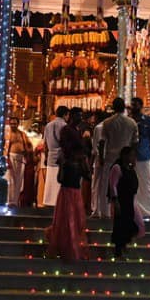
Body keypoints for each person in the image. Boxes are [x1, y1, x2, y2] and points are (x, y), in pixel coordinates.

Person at [45, 107, 89, 262]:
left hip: (75, 171)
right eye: (78, 115)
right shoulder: (67, 130)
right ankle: (68, 244)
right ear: (70, 116)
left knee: (75, 215)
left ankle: (72, 241)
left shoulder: (75, 130)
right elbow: (67, 148)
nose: (80, 118)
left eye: (81, 116)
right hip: (70, 169)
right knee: (68, 214)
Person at [100, 99, 137, 219]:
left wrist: (101, 157)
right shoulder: (132, 123)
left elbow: (102, 142)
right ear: (124, 108)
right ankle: (125, 211)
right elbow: (135, 142)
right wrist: (133, 158)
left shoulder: (107, 122)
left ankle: (107, 212)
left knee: (109, 185)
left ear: (114, 108)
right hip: (126, 159)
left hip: (111, 158)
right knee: (125, 186)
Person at [108, 146, 142, 259]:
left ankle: (123, 245)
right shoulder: (117, 168)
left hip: (129, 200)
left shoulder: (130, 169)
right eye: (131, 155)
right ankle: (118, 249)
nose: (133, 158)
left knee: (130, 224)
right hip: (121, 200)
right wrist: (115, 200)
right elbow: (113, 185)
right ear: (125, 156)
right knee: (120, 225)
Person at [132, 97, 150, 219]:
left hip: (144, 155)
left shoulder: (148, 121)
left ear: (141, 106)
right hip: (130, 157)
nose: (133, 107)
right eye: (132, 105)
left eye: (136, 105)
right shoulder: (129, 121)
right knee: (132, 185)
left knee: (146, 183)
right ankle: (134, 209)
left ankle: (148, 211)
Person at [41, 105, 68, 209]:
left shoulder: (48, 125)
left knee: (50, 181)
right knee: (58, 180)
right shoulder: (64, 125)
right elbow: (64, 143)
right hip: (60, 156)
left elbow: (45, 144)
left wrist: (46, 156)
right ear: (66, 114)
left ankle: (48, 201)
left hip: (51, 155)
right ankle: (57, 202)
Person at [7, 122, 32, 207]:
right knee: (10, 180)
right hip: (11, 157)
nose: (13, 125)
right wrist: (7, 159)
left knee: (19, 181)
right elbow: (6, 147)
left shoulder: (22, 134)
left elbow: (28, 145)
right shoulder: (8, 134)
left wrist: (27, 152)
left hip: (21, 158)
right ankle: (9, 201)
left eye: (15, 123)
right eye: (12, 123)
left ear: (17, 124)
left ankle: (15, 201)